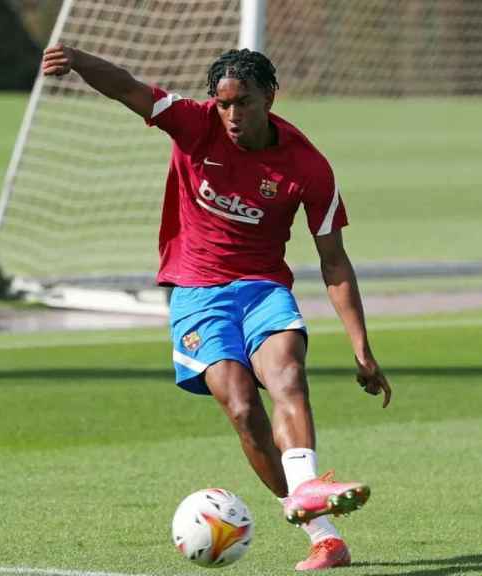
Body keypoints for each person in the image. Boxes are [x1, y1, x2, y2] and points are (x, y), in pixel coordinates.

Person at [42, 44, 392, 571]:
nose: (231, 114)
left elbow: (334, 261)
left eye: (244, 103)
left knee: (287, 376)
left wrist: (362, 348)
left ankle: (306, 489)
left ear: (269, 97)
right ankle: (323, 534)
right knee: (243, 411)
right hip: (197, 293)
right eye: (223, 103)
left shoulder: (307, 166)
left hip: (263, 289)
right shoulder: (193, 124)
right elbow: (127, 88)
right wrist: (80, 60)